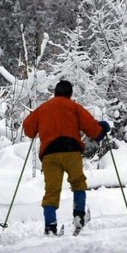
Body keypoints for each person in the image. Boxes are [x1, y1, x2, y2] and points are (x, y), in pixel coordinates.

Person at [23, 80, 110, 235]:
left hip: (50, 154)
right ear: (70, 94)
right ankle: (79, 216)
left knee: (51, 191)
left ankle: (50, 226)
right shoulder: (74, 107)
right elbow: (93, 130)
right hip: (71, 151)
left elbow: (28, 130)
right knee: (78, 183)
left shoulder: (43, 108)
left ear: (55, 92)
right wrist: (102, 129)